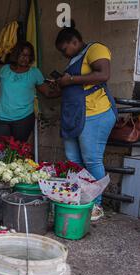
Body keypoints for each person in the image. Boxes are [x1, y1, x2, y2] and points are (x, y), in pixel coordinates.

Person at [55, 24, 118, 221]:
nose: (64, 54)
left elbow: (103, 74)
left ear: (75, 41)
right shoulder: (74, 58)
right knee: (74, 160)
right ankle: (83, 198)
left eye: (65, 49)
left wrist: (70, 79)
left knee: (92, 160)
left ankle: (96, 205)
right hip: (75, 116)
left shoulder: (95, 49)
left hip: (95, 113)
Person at [0, 41, 60, 142]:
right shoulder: (4, 70)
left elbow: (47, 93)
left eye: (28, 56)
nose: (25, 58)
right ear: (16, 55)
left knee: (18, 151)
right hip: (1, 118)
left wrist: (63, 90)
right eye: (22, 55)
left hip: (23, 119)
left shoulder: (34, 72)